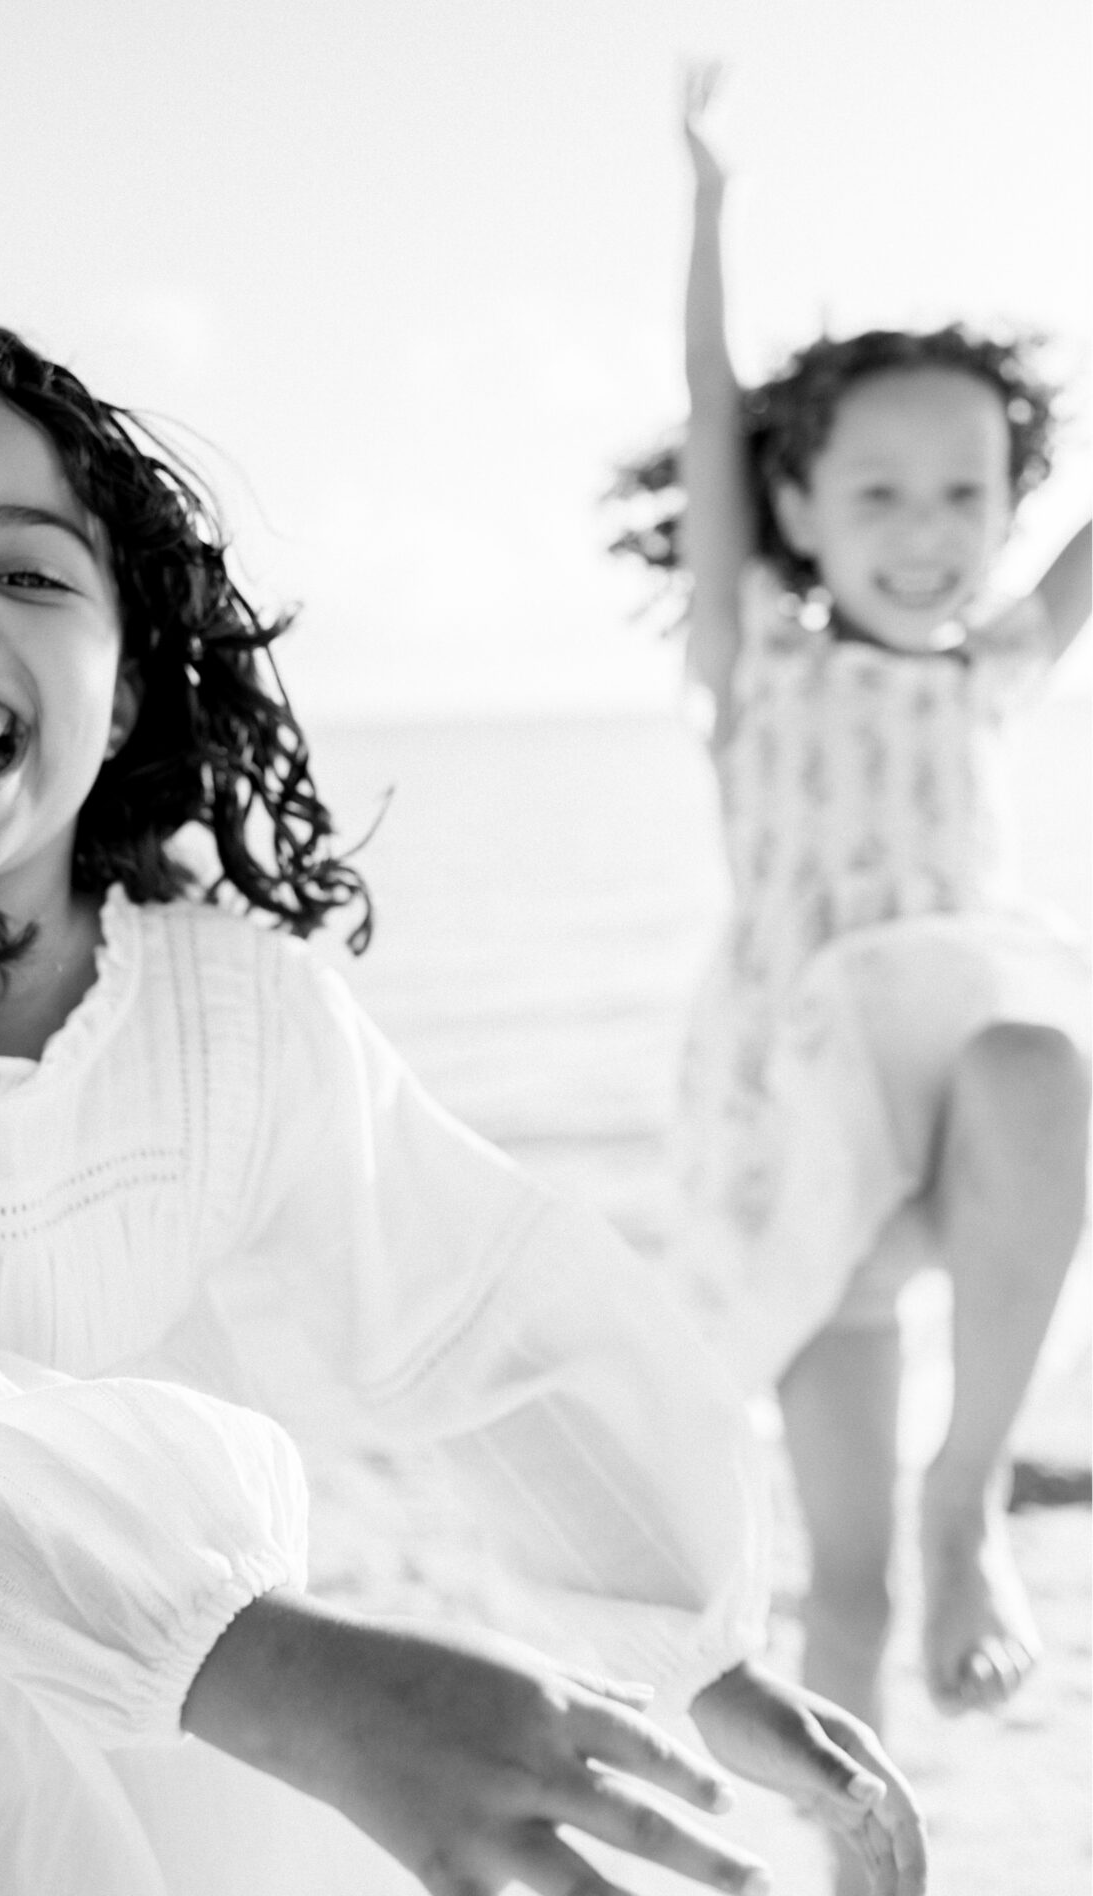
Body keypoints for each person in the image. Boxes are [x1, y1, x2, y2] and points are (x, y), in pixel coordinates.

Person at [0, 272, 926, 1895]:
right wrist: (291, 1678)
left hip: (187, 1748)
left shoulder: (228, 1014)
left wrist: (693, 1643)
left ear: (124, 686)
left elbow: (477, 1315)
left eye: (26, 568)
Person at [610, 62, 1090, 1787]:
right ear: (800, 512)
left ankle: (974, 1490)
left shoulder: (1000, 669)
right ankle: (859, 1848)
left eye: (965, 498)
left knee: (1046, 1055)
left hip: (955, 1100)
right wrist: (714, 205)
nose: (927, 535)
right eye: (877, 495)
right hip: (797, 1123)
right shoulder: (758, 661)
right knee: (841, 1583)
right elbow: (709, 398)